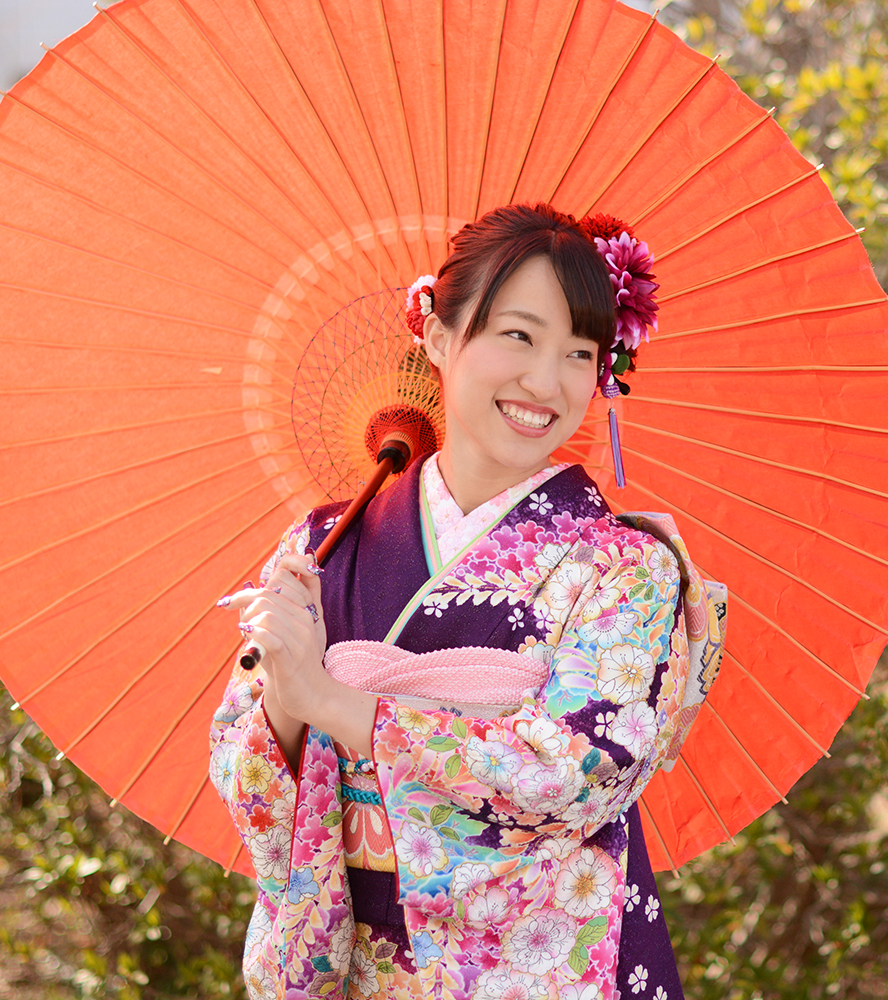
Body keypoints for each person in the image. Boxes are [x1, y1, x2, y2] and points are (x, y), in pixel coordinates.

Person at [209, 203, 726, 1000]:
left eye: (579, 353)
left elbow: (577, 773)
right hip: (362, 961)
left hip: (542, 963)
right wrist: (283, 703)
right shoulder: (320, 547)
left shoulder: (626, 568)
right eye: (518, 336)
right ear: (438, 335)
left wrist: (335, 705)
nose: (545, 382)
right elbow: (241, 773)